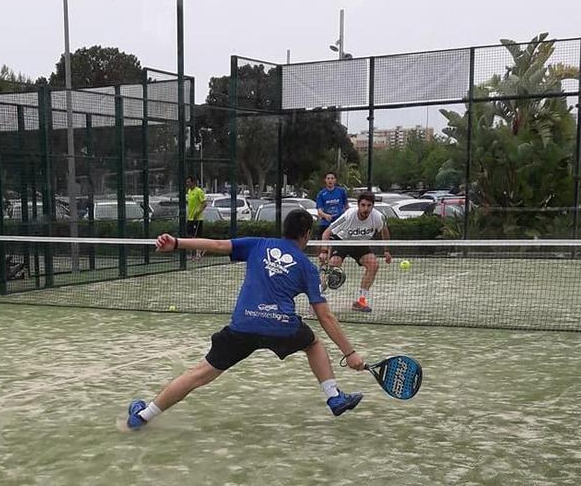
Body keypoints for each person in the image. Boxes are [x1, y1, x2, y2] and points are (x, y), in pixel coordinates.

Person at [126, 210, 365, 430]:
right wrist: (349, 352)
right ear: (306, 235)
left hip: (243, 326)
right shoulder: (307, 267)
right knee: (312, 344)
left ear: (284, 230)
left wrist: (176, 243)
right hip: (282, 327)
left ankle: (143, 416)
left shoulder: (258, 244)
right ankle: (333, 396)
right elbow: (324, 315)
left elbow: (217, 244)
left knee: (199, 373)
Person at [320, 191, 392, 313]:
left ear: (372, 206)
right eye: (363, 205)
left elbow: (384, 231)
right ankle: (316, 299)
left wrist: (387, 250)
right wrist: (324, 251)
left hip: (360, 244)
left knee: (373, 265)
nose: (366, 209)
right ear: (358, 205)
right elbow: (327, 232)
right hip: (342, 241)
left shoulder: (378, 217)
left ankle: (360, 301)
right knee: (332, 266)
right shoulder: (348, 215)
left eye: (369, 205)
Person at [315, 172, 349, 243]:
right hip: (325, 223)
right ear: (325, 180)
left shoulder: (341, 191)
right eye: (328, 178)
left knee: (339, 244)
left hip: (339, 222)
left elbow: (346, 206)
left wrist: (346, 216)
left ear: (335, 180)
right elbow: (319, 211)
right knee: (321, 243)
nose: (330, 180)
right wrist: (326, 215)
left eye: (332, 178)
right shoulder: (321, 194)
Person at [185, 176, 207, 261]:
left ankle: (198, 254)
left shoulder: (199, 191)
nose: (187, 184)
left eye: (188, 182)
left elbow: (204, 204)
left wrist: (197, 213)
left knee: (196, 237)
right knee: (190, 237)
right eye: (187, 182)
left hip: (198, 219)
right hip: (190, 218)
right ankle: (193, 255)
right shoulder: (189, 191)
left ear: (193, 182)